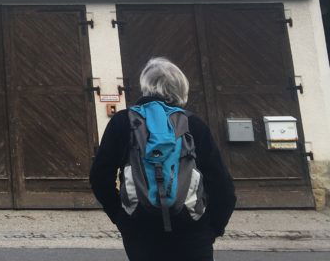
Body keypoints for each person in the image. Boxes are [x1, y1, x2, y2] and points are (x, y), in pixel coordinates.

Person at [90, 57, 236, 261]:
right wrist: (212, 228)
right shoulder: (193, 124)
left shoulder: (122, 122)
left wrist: (121, 218)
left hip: (140, 231)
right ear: (180, 89)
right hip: (191, 232)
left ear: (145, 86)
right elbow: (222, 185)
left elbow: (99, 177)